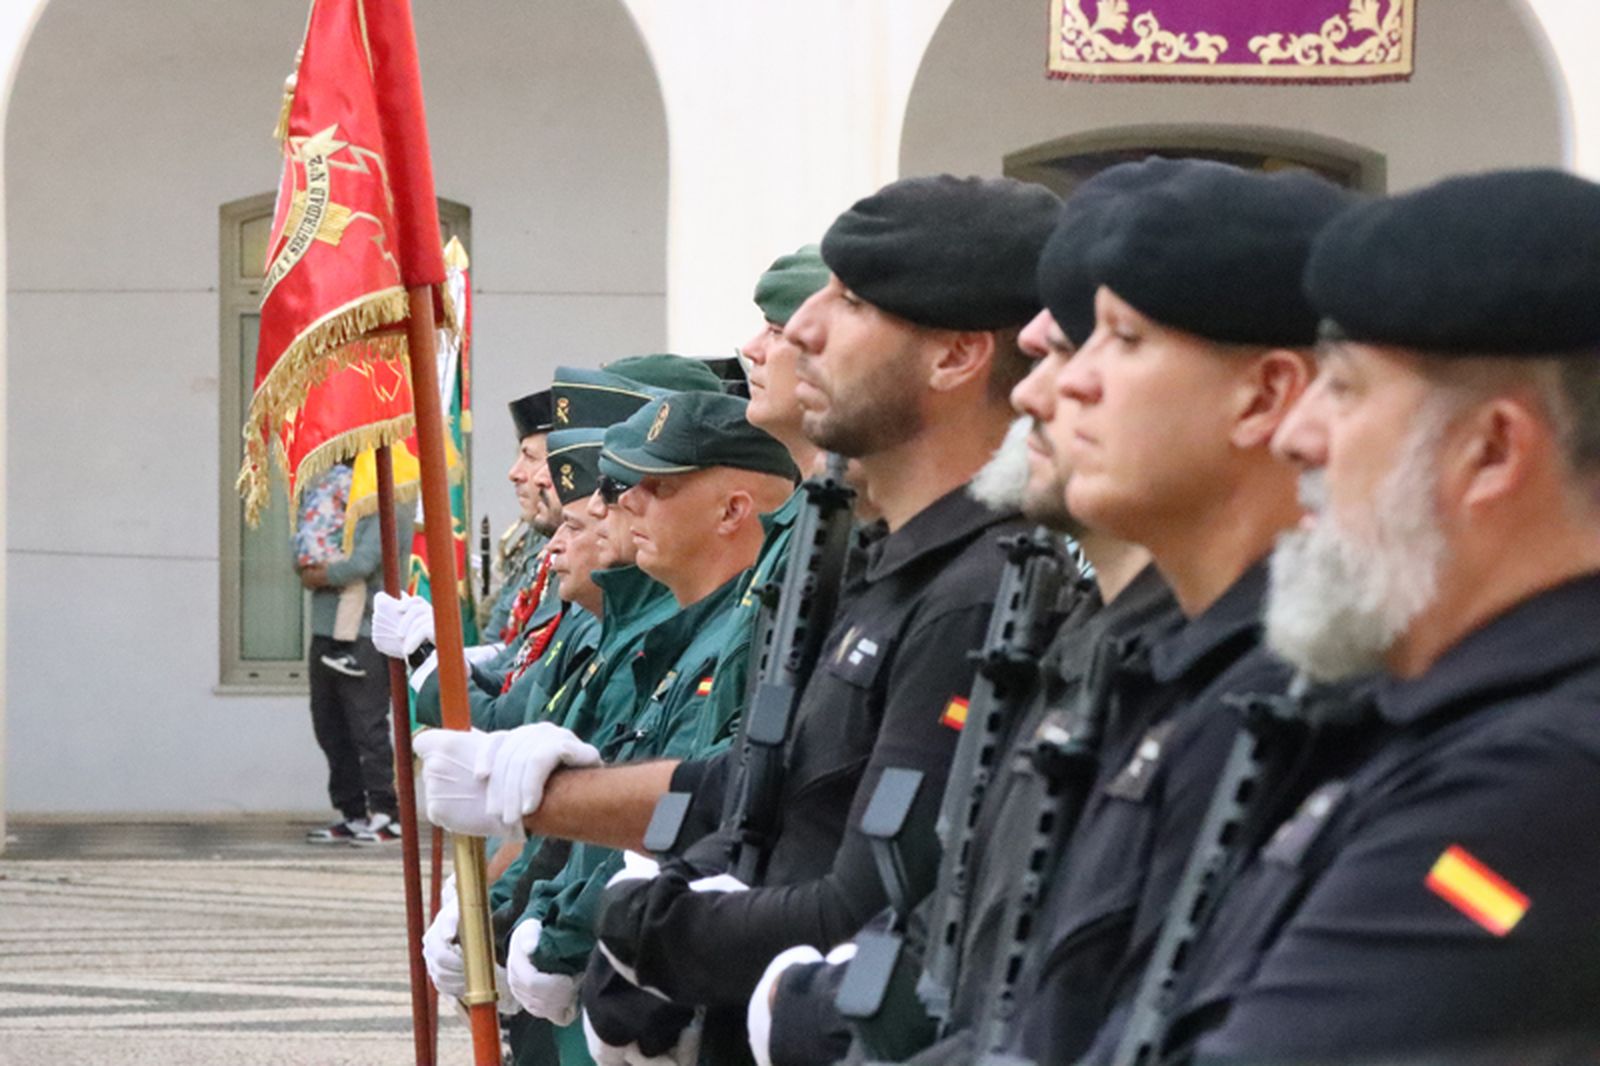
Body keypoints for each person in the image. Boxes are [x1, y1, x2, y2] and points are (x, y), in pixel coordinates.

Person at [411, 174, 1058, 1066]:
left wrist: (645, 929)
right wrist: (558, 806)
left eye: (852, 302)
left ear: (956, 357)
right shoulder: (877, 562)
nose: (799, 333)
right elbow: (763, 786)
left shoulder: (975, 591)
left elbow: (867, 898)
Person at [1142, 168, 1600, 1065]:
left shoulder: (1540, 780)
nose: (1296, 436)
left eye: (1344, 389)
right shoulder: (1442, 724)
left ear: (1491, 451)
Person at [938, 158, 1352, 1066]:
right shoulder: (1162, 663)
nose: (1043, 391)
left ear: (1267, 397)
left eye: (1120, 340)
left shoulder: (1286, 696)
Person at [752, 263, 1173, 1066]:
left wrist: (792, 1002)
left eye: (1109, 345)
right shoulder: (1088, 637)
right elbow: (963, 913)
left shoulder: (984, 598)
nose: (1034, 394)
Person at [495, 392, 799, 1064]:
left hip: (656, 965)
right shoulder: (673, 632)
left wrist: (564, 931)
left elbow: (695, 806)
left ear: (731, 511)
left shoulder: (739, 635)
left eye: (655, 486)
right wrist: (524, 912)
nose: (623, 502)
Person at [299, 472, 416, 845]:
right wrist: (307, 562)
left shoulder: (389, 496)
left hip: (364, 631)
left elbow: (364, 562)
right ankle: (351, 812)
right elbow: (303, 548)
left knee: (367, 726)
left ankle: (386, 813)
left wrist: (322, 573)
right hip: (325, 628)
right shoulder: (333, 491)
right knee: (329, 725)